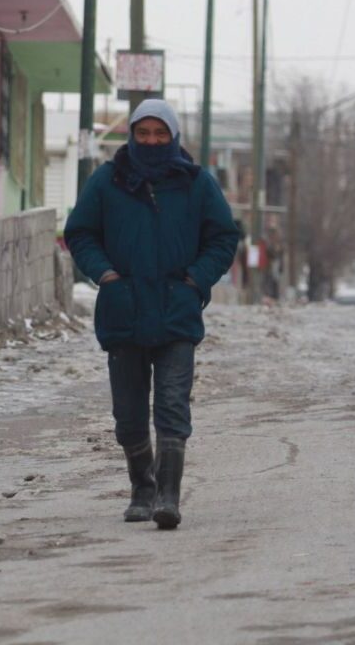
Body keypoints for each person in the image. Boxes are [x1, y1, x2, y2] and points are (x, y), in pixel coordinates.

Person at [64, 100, 238, 529]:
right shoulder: (107, 181)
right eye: (144, 133)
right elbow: (80, 233)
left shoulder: (198, 184)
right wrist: (105, 275)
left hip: (177, 312)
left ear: (174, 136)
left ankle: (168, 496)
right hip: (123, 313)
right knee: (128, 414)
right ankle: (142, 487)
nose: (152, 141)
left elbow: (222, 238)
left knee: (173, 405)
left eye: (161, 134)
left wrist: (196, 281)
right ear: (132, 135)